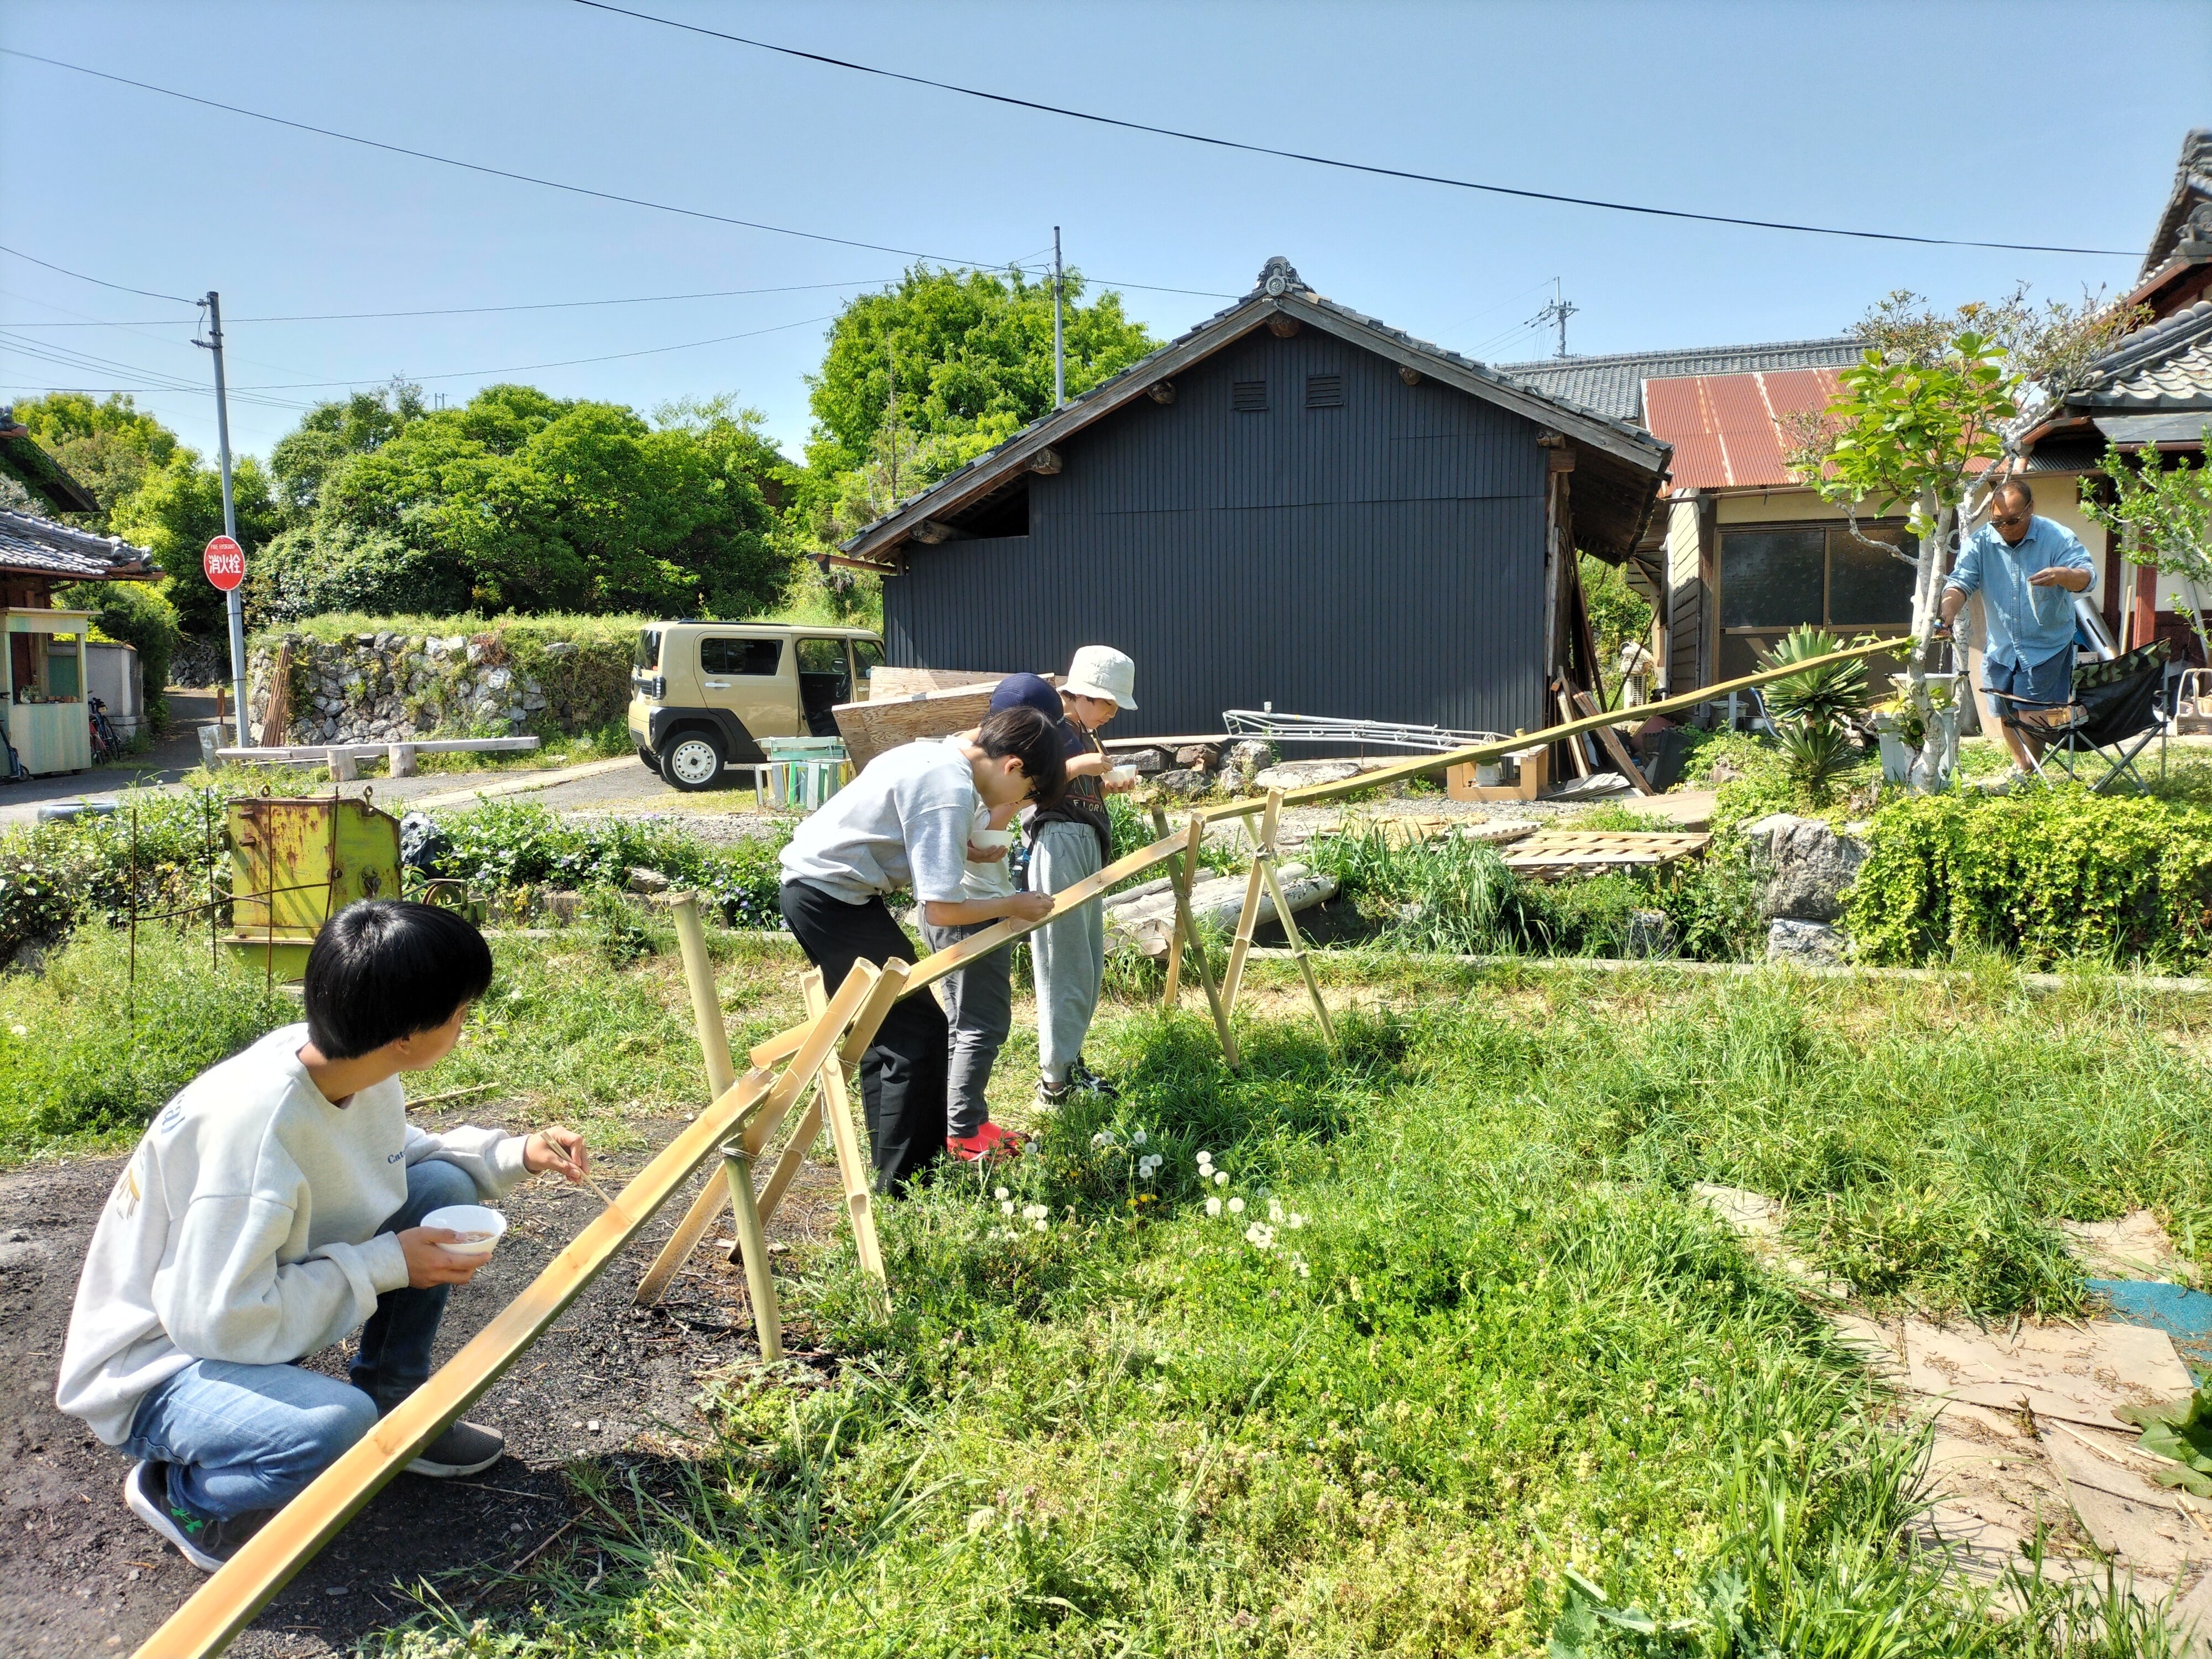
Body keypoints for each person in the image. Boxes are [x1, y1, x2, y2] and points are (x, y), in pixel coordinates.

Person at [55, 900, 594, 1573]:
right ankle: (184, 1492)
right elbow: (220, 1321)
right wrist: (383, 1264)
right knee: (332, 1428)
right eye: (458, 1014)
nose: (463, 1024)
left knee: (441, 1192)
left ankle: (398, 1411)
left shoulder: (344, 1063)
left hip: (231, 1306)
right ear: (404, 1034)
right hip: (160, 1363)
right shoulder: (254, 1138)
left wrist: (516, 1153)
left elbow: (399, 1159)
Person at [779, 707, 1065, 1191]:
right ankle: (906, 1187)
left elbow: (893, 826)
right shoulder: (949, 790)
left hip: (826, 891)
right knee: (916, 1037)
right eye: (1030, 792)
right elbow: (942, 912)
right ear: (1013, 766)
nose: (1022, 802)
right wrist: (1013, 903)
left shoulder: (936, 755)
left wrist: (964, 848)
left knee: (888, 1032)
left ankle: (904, 1171)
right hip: (828, 897)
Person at [1023, 647, 1141, 1108]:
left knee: (1087, 960)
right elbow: (1033, 787)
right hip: (1061, 842)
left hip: (1086, 842)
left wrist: (1105, 782)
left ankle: (1069, 1064)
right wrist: (1080, 768)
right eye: (1108, 702)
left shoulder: (1084, 734)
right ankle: (1054, 1085)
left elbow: (1076, 788)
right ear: (1084, 694)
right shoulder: (1050, 728)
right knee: (1065, 960)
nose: (1112, 713)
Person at [1938, 478, 2095, 773]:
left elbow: (2088, 577)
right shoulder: (1981, 541)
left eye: (2012, 520)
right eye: (1997, 521)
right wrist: (1947, 611)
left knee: (2031, 709)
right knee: (2004, 709)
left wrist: (2062, 574)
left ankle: (2028, 771)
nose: (2004, 527)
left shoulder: (2056, 537)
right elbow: (1960, 583)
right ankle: (2021, 764)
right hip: (2001, 645)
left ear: (2031, 509)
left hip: (2046, 644)